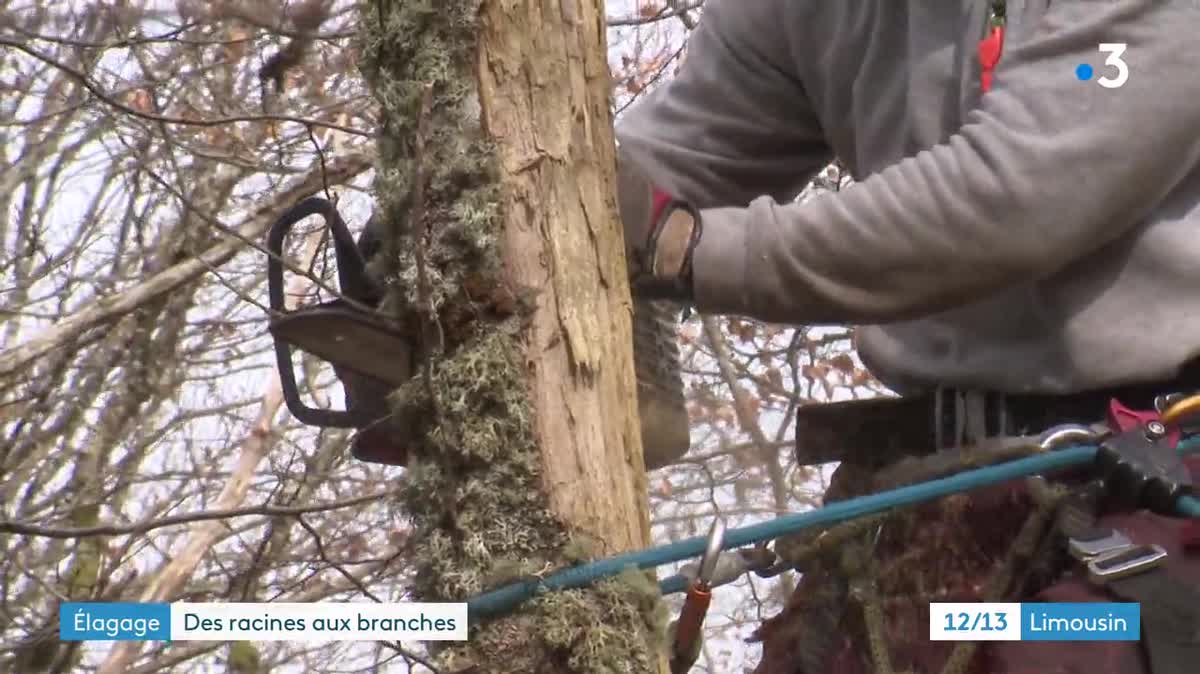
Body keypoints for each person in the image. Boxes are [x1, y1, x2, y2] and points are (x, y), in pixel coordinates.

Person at [612, 1, 1200, 672]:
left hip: (1156, 473)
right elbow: (667, 169)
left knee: (1048, 655)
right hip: (931, 483)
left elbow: (1012, 197)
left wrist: (686, 251)